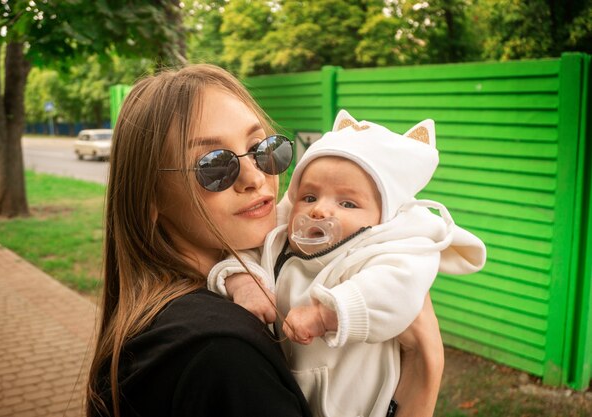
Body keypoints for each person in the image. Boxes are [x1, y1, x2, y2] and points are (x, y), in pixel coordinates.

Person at [85, 64, 446, 417]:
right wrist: (425, 372)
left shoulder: (172, 321)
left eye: (262, 148)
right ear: (150, 197)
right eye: (213, 165)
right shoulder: (220, 353)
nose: (255, 176)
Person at [209, 110, 487, 417]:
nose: (319, 211)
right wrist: (244, 282)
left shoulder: (392, 249)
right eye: (310, 197)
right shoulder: (280, 239)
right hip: (288, 389)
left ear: (383, 216)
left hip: (358, 402)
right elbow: (240, 257)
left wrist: (324, 315)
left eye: (347, 203)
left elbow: (395, 291)